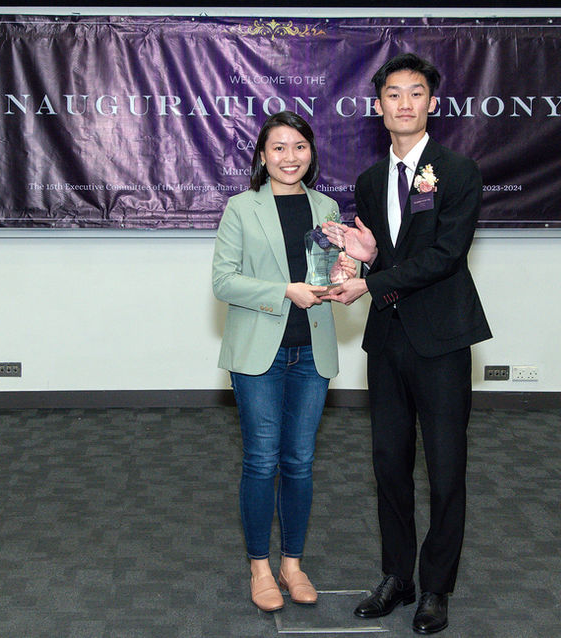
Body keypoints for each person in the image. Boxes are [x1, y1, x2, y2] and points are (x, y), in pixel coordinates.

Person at [322, 53, 492, 634]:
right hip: (388, 340)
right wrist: (364, 260)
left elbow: (446, 256)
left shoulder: (459, 171)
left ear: (432, 103)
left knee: (445, 471)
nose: (404, 103)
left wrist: (371, 282)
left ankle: (436, 587)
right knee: (389, 465)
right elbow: (387, 258)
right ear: (378, 106)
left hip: (442, 339)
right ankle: (398, 576)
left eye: (416, 93)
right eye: (393, 94)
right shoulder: (370, 182)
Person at [212, 111, 355, 613]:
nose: (289, 157)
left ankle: (292, 564)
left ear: (310, 153)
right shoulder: (241, 208)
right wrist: (284, 291)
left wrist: (346, 272)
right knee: (261, 460)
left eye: (299, 147)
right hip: (259, 355)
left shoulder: (326, 206)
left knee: (299, 462)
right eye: (278, 147)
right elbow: (223, 281)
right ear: (262, 155)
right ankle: (259, 566)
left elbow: (329, 269)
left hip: (312, 352)